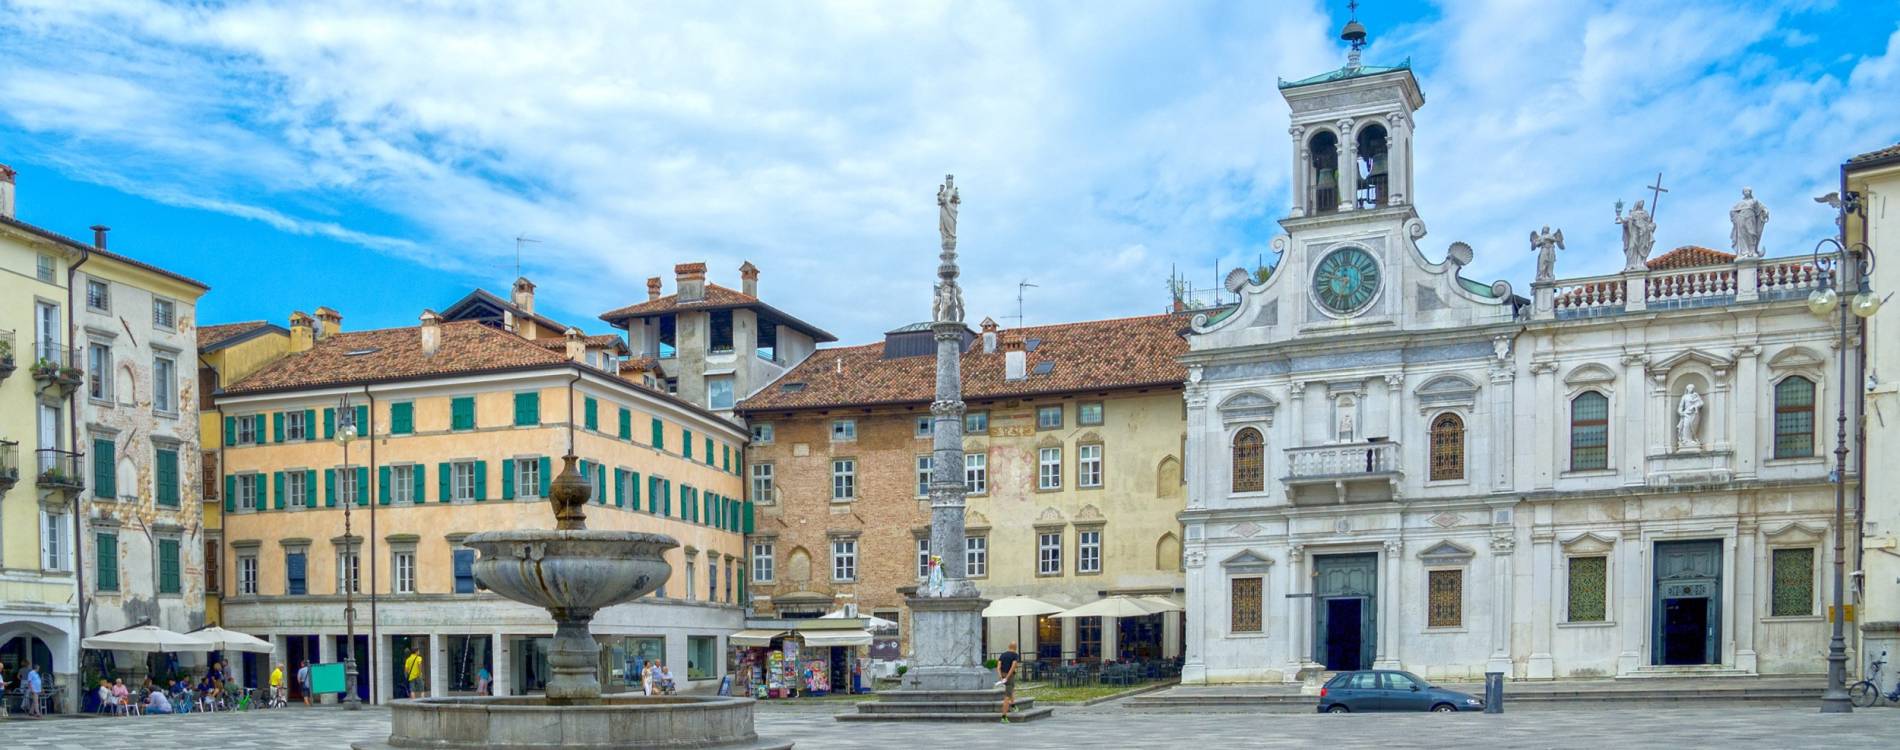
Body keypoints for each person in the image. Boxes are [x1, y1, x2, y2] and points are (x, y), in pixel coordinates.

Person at [997, 641, 1021, 724]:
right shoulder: (1015, 655)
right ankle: (1004, 717)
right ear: (1015, 648)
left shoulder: (1003, 655)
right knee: (1007, 696)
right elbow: (1013, 667)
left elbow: (999, 666)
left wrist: (1000, 676)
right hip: (1009, 676)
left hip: (1003, 674)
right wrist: (1007, 677)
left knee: (1012, 690)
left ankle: (1013, 705)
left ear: (1009, 646)